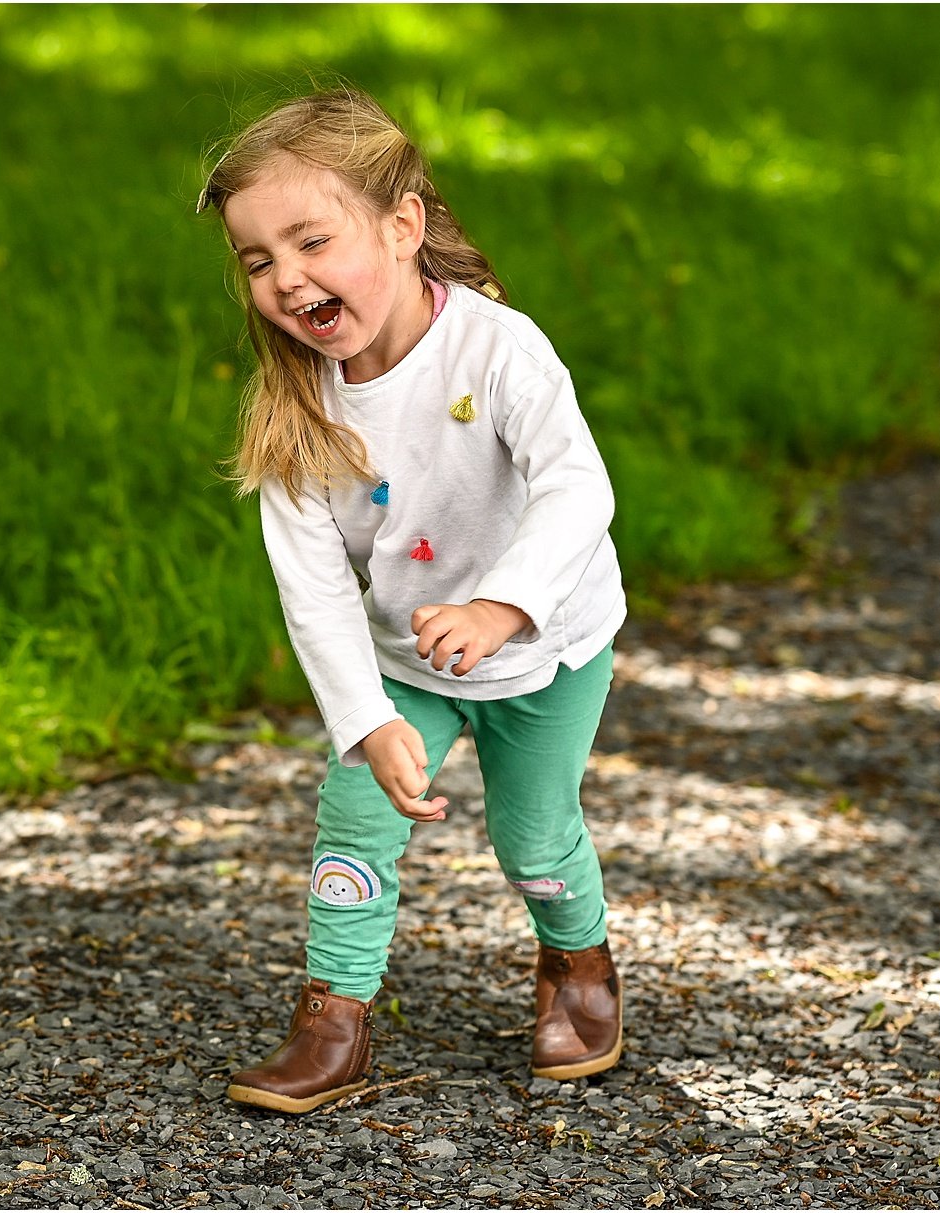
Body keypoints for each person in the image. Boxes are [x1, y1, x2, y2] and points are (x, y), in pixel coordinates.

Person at [197, 87, 629, 1114]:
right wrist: (364, 715)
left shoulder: (498, 351)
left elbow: (578, 489)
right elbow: (312, 586)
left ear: (401, 226)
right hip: (404, 658)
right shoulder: (297, 403)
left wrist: (500, 609)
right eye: (257, 260)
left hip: (545, 644)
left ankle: (578, 966)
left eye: (311, 241)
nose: (284, 277)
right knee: (353, 819)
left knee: (532, 838)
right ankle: (333, 1022)